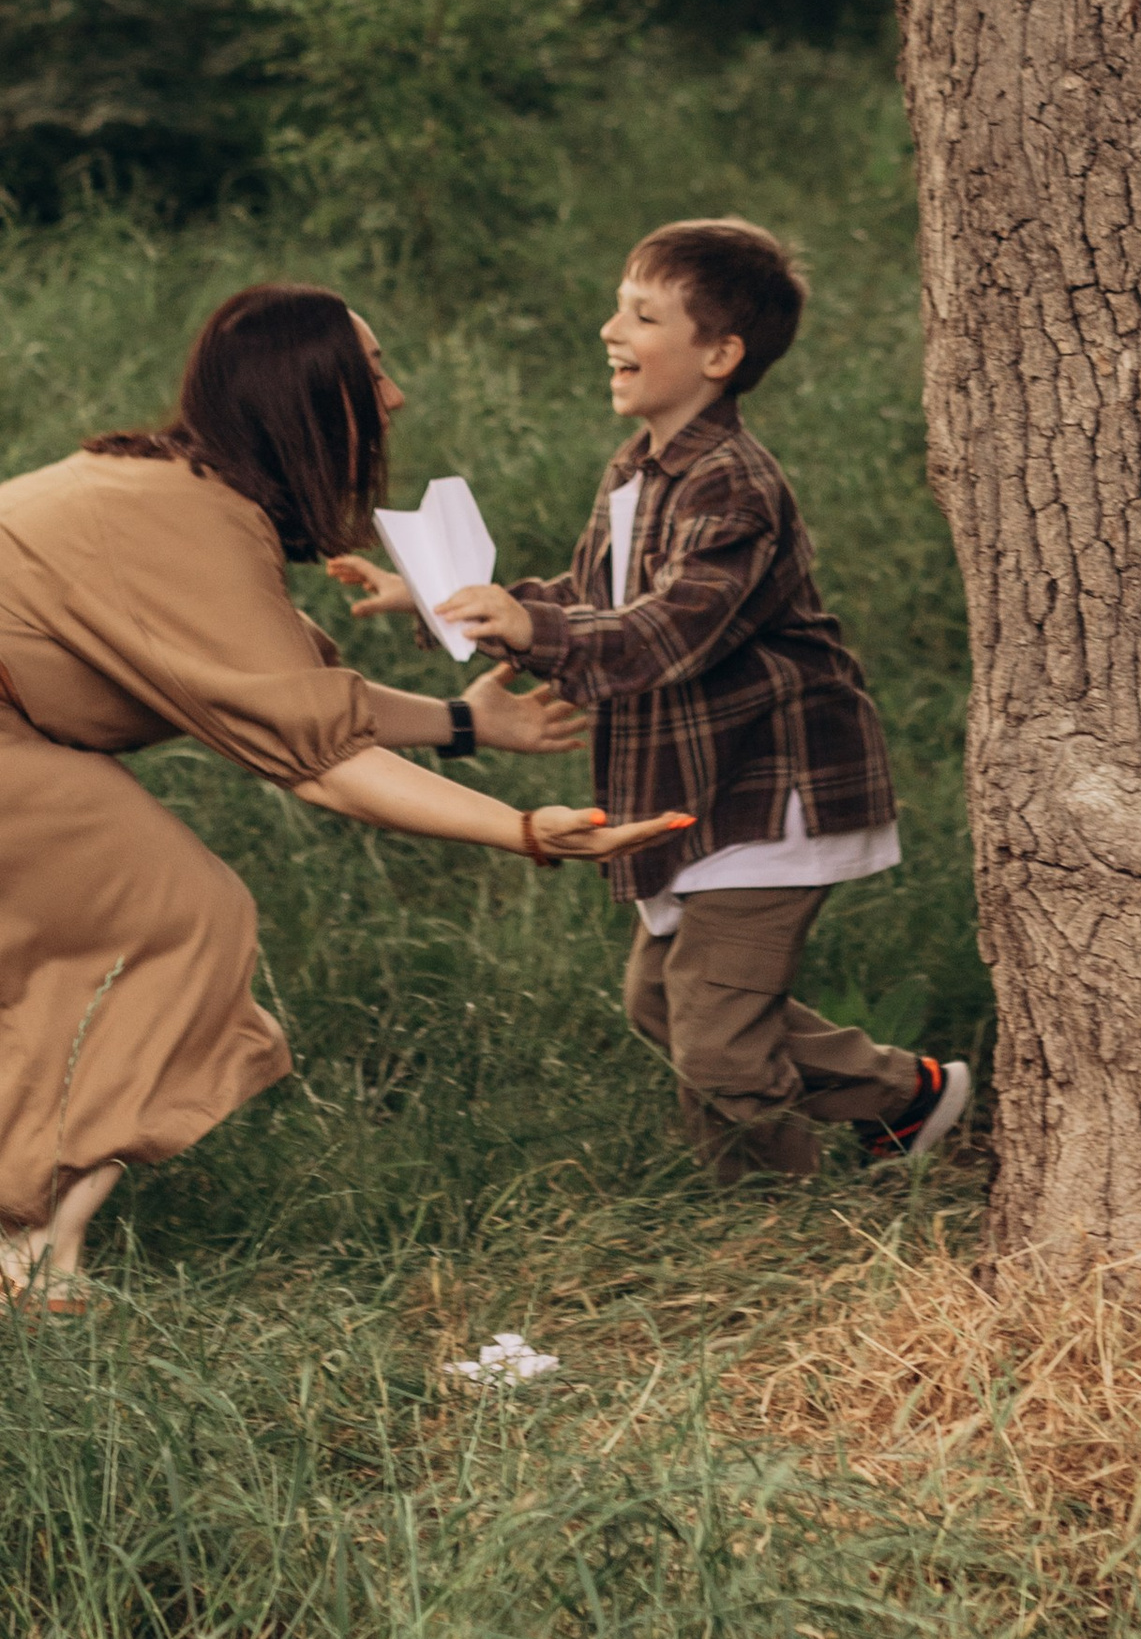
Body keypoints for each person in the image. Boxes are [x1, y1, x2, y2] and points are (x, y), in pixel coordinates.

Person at [0, 283, 686, 1312]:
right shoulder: (187, 519)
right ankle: (29, 1264)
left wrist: (466, 724)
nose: (397, 398)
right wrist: (519, 831)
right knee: (184, 916)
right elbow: (319, 764)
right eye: (372, 374)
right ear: (311, 401)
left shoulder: (162, 485)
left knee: (12, 973)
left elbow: (286, 701)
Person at [396, 218, 971, 1183]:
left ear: (719, 353)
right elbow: (594, 607)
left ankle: (775, 1223)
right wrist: (442, 602)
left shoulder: (734, 487)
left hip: (771, 785)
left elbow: (671, 633)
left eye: (642, 314)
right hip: (700, 786)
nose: (611, 330)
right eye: (618, 306)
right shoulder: (638, 466)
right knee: (666, 1003)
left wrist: (536, 632)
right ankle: (906, 1099)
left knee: (716, 1041)